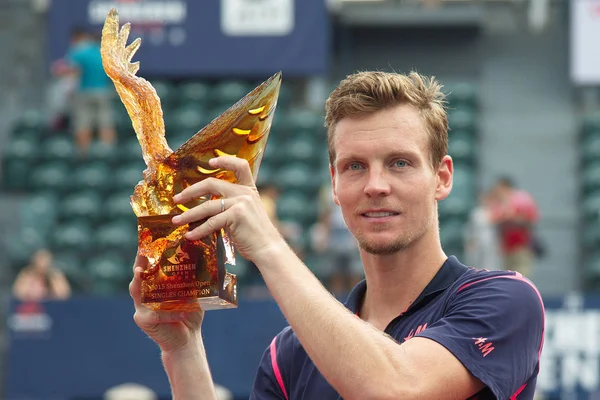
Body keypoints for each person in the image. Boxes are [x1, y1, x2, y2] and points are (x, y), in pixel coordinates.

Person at [128, 71, 545, 399]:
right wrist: (182, 350)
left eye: (399, 163)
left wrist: (271, 247)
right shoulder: (290, 354)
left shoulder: (505, 300)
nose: (375, 185)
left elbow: (397, 388)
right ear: (334, 184)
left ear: (441, 177)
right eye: (354, 166)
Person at [60, 27, 116, 154]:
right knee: (105, 123)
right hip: (102, 91)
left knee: (83, 123)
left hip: (84, 91)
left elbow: (72, 71)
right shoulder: (105, 54)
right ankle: (107, 153)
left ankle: (84, 155)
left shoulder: (80, 52)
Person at [490, 176, 540, 279]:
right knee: (508, 277)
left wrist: (512, 218)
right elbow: (493, 219)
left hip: (521, 245)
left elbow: (531, 218)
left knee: (522, 275)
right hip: (505, 246)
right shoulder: (498, 202)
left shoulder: (522, 198)